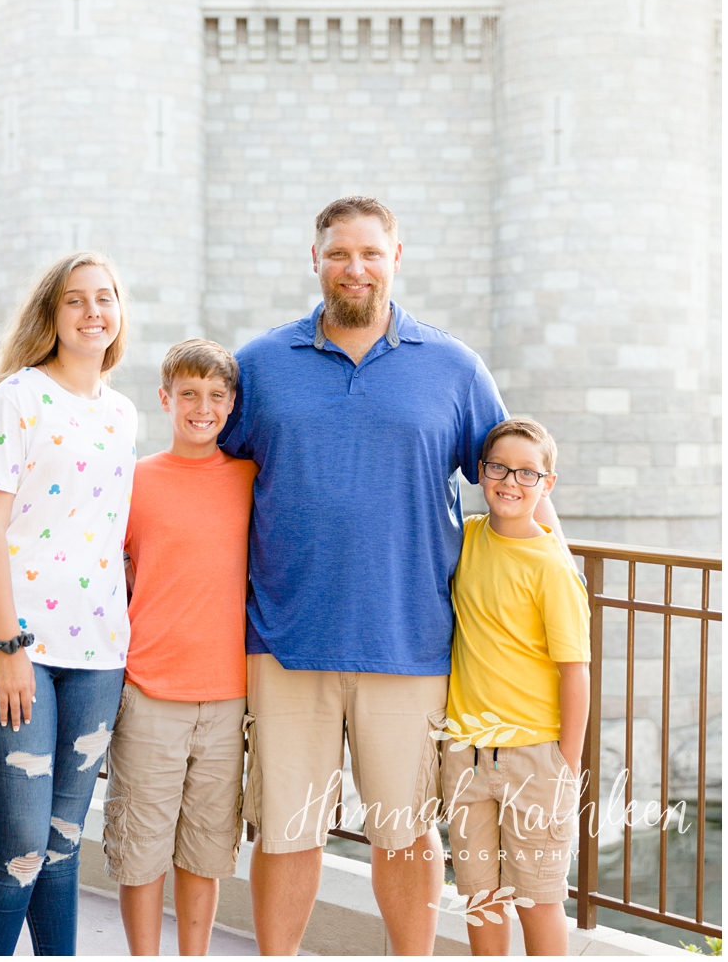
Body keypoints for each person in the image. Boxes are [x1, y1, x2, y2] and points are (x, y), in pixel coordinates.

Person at [222, 196, 570, 956]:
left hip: (411, 646)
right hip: (284, 642)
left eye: (371, 253)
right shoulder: (259, 366)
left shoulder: (452, 366)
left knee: (406, 836)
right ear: (313, 259)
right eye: (340, 253)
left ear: (396, 258)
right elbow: (207, 478)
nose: (355, 268)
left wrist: (558, 588)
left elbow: (518, 478)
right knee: (285, 830)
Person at [0, 251, 138, 956]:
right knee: (20, 845)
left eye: (105, 298)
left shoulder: (121, 412)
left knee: (62, 847)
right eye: (75, 300)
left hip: (96, 654)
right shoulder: (18, 398)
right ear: (51, 315)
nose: (93, 311)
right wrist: (7, 645)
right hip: (11, 647)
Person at [106, 339, 254, 956]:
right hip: (149, 693)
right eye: (189, 394)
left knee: (206, 849)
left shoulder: (250, 478)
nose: (202, 407)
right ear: (165, 399)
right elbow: (111, 566)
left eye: (216, 396)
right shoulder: (133, 479)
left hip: (227, 698)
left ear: (231, 405)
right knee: (141, 850)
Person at [441, 417, 589, 957]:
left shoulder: (552, 567)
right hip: (467, 756)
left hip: (535, 760)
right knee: (480, 896)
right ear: (481, 473)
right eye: (500, 468)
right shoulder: (468, 538)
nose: (511, 481)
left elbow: (576, 670)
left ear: (547, 485)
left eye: (528, 473)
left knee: (538, 899)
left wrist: (565, 764)